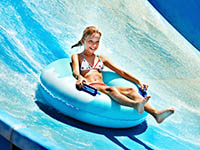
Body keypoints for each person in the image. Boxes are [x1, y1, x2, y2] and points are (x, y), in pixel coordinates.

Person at [71, 26, 174, 123]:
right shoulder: (77, 56)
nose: (94, 45)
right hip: (92, 85)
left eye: (97, 42)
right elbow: (75, 71)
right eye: (91, 41)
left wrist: (138, 81)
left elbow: (121, 72)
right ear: (83, 41)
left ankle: (156, 114)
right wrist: (80, 77)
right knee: (112, 90)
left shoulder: (101, 58)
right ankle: (135, 105)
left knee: (131, 90)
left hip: (102, 85)